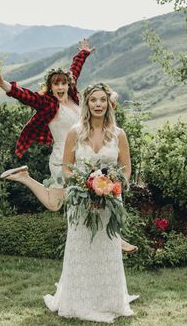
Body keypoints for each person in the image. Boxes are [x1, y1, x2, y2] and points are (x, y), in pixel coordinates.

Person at [0, 41, 138, 254]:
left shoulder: (75, 100)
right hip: (62, 160)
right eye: (56, 84)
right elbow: (25, 95)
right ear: (50, 87)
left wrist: (82, 53)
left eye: (64, 83)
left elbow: (74, 71)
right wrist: (4, 85)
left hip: (82, 158)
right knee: (85, 197)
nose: (61, 87)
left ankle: (25, 177)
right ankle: (114, 239)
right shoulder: (48, 104)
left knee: (60, 203)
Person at [44, 83, 139, 323]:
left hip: (110, 202)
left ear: (108, 104)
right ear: (86, 104)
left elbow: (126, 169)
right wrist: (83, 187)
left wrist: (114, 187)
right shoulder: (75, 132)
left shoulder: (119, 134)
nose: (98, 104)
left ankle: (108, 300)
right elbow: (66, 168)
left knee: (106, 250)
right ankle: (78, 300)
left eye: (102, 100)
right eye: (93, 100)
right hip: (81, 203)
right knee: (82, 249)